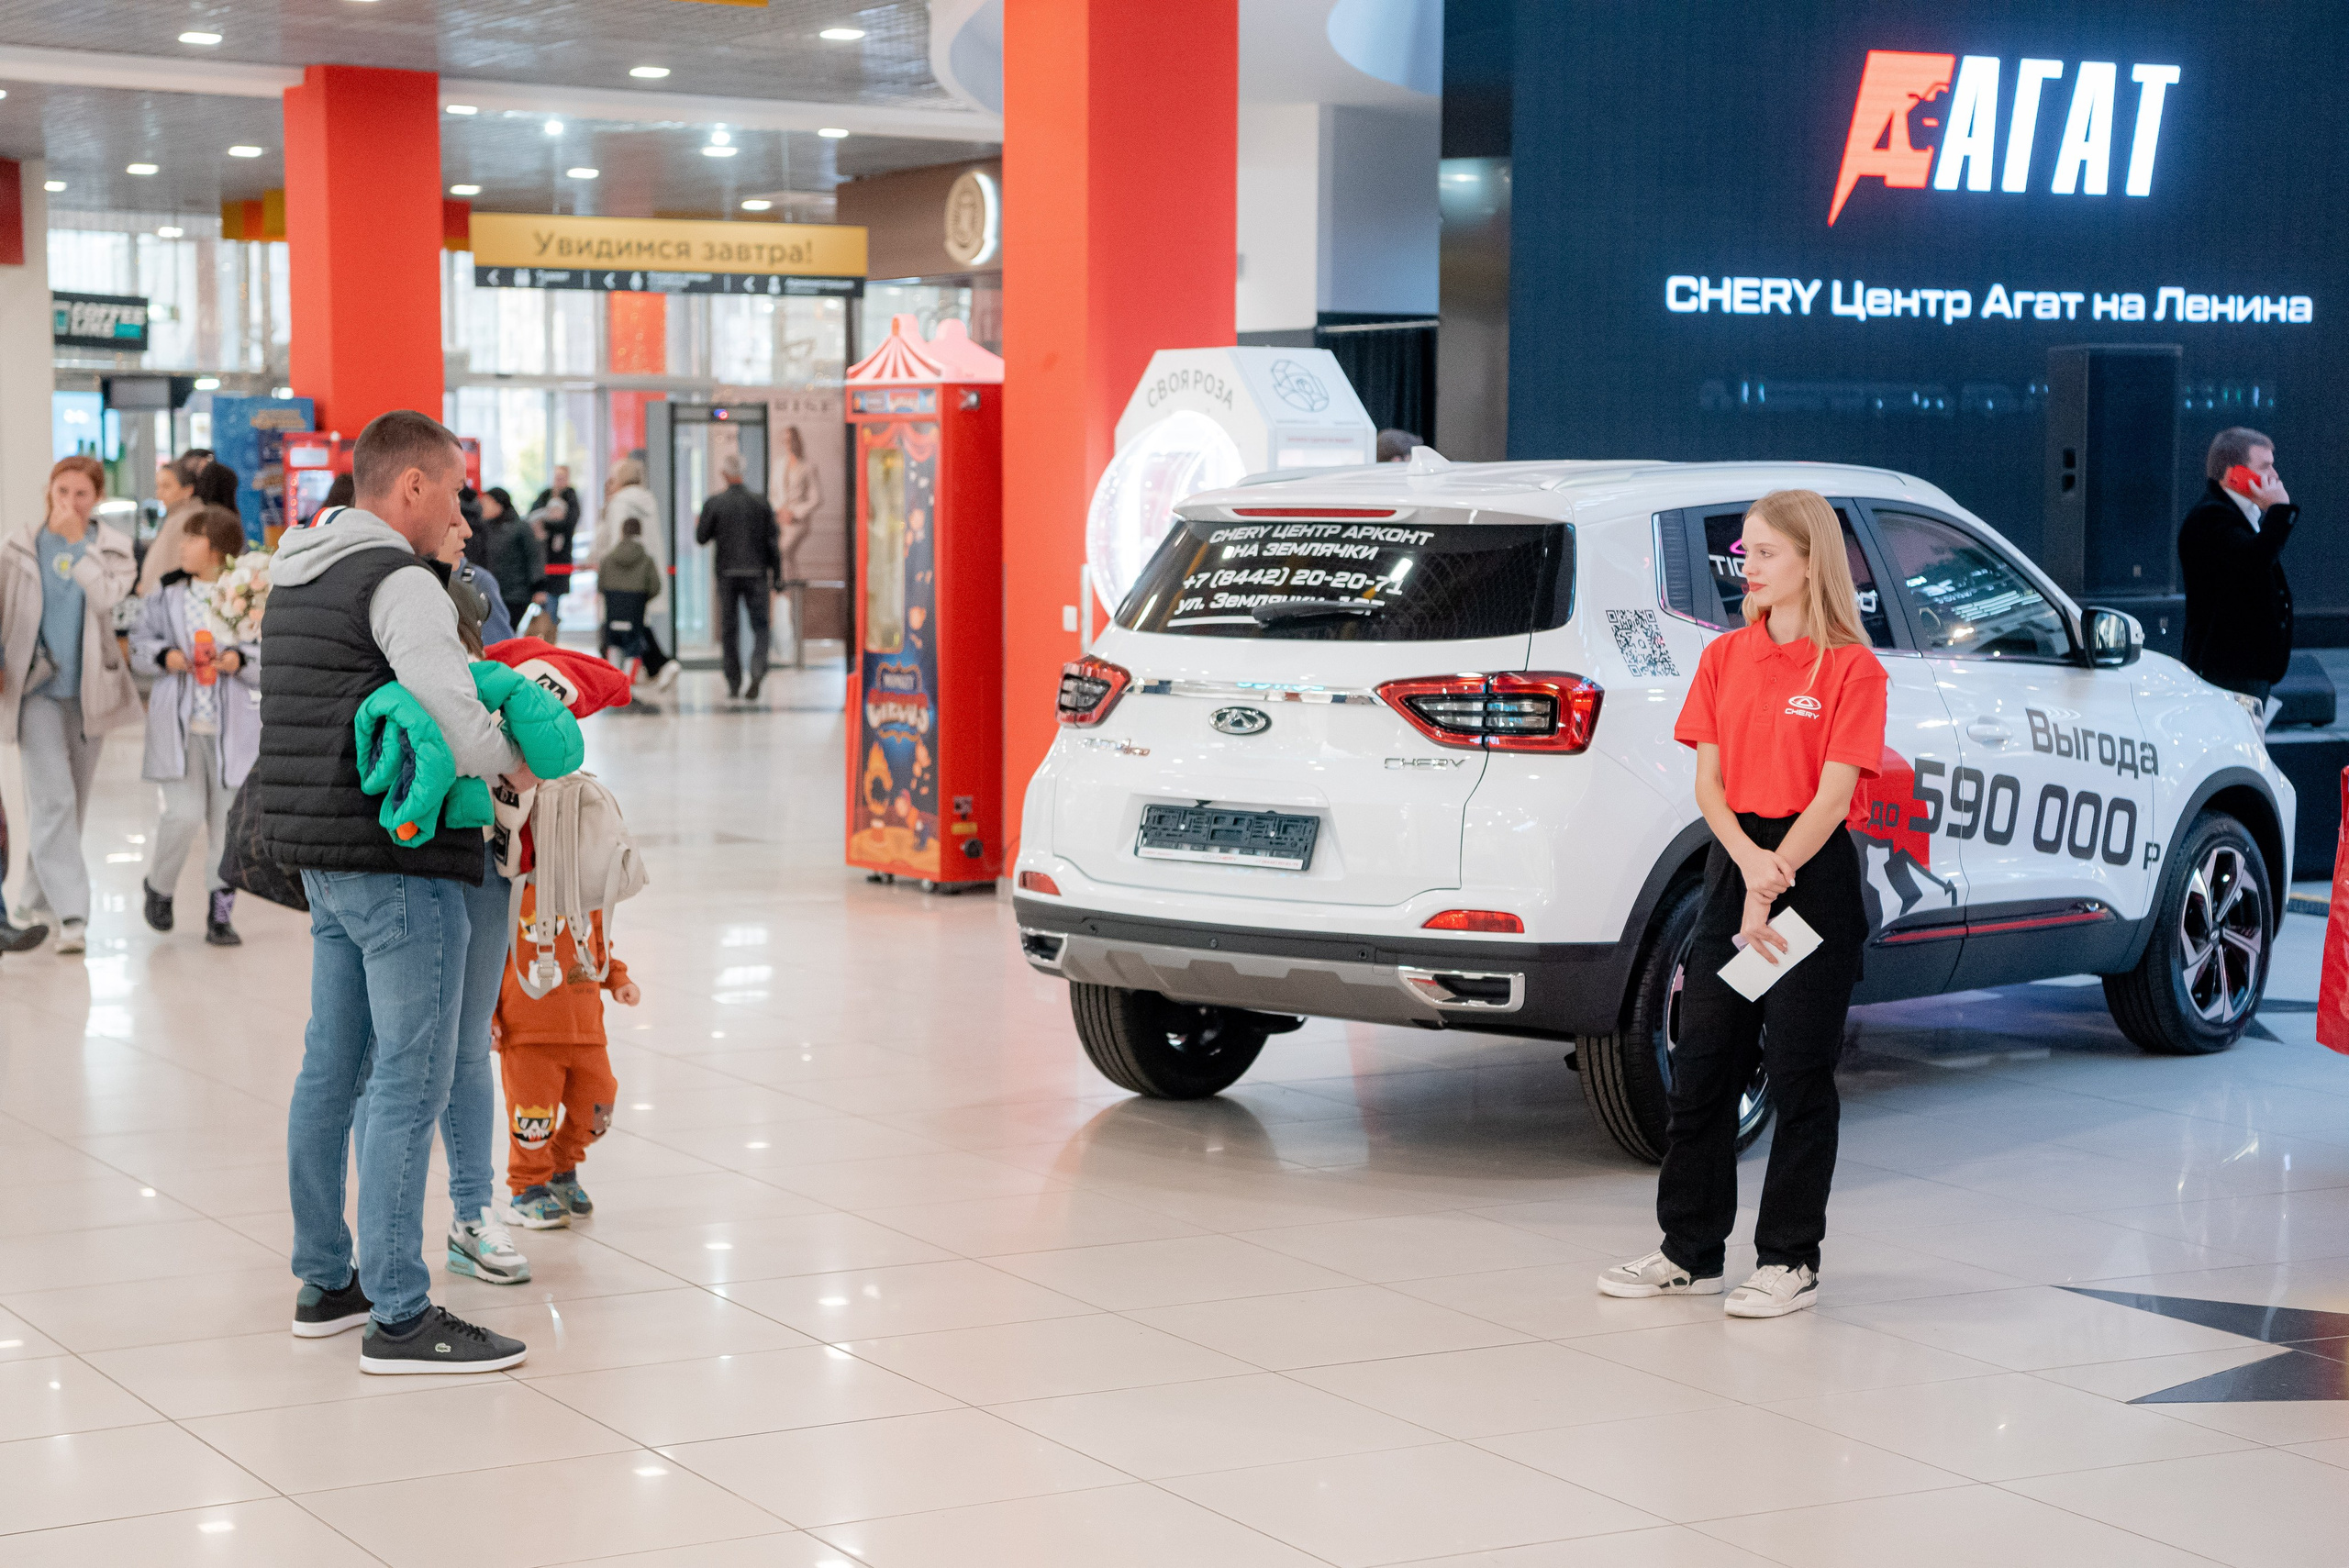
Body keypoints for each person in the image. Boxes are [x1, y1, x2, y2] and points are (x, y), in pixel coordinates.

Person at [256, 408, 533, 1373]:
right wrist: (521, 763)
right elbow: (457, 717)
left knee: (330, 1067)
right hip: (399, 857)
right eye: (453, 488)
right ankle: (403, 1314)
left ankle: (329, 1279)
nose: (461, 506)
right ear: (409, 486)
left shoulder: (299, 568)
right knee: (408, 1078)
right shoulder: (397, 581)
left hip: (322, 860)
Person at [1599, 488, 1886, 1320]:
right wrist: (1751, 870)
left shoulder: (1851, 669)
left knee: (1799, 1069)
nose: (1746, 567)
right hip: (1736, 866)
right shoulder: (1725, 657)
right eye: (1744, 552)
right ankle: (1689, 1252)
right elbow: (1708, 783)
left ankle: (1790, 1258)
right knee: (1705, 1063)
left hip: (1810, 877)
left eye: (1764, 553)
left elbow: (1834, 796)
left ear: (1809, 562)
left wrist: (1778, 872)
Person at [0, 456, 141, 955]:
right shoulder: (20, 546)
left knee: (72, 804)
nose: (70, 502)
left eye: (81, 494)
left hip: (90, 695)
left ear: (96, 497)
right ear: (49, 491)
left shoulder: (113, 547)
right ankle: (75, 913)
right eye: (62, 491)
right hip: (34, 692)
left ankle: (32, 900)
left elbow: (106, 598)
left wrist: (76, 545)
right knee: (53, 799)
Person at [130, 506, 260, 945]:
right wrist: (165, 656)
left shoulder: (251, 596)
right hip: (181, 729)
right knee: (183, 814)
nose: (182, 545)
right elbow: (139, 646)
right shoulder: (166, 597)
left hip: (236, 731)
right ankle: (159, 887)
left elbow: (271, 658)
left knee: (228, 826)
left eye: (192, 537)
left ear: (218, 549)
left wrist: (239, 661)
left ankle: (220, 916)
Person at [495, 876, 636, 1228]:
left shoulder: (584, 886)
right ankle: (527, 1189)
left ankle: (561, 1166)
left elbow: (599, 946)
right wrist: (489, 1013)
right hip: (528, 1031)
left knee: (599, 1109)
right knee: (533, 1120)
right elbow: (488, 958)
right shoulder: (509, 891)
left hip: (586, 1030)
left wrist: (617, 978)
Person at [2180, 427, 2299, 708]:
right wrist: (2279, 511)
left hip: (2249, 667)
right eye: (2265, 466)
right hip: (2227, 669)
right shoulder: (2210, 518)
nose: (2275, 476)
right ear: (2235, 473)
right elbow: (2255, 561)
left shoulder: (2243, 516)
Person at [695, 453, 779, 700]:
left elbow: (701, 537)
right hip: (756, 573)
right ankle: (757, 671)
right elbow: (772, 543)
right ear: (743, 472)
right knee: (761, 626)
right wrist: (778, 576)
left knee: (729, 629)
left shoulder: (715, 503)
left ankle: (733, 681)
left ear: (724, 474)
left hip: (727, 575)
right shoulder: (760, 503)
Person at [596, 460, 676, 688]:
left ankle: (658, 664)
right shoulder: (648, 501)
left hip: (624, 577)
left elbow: (616, 541)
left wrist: (610, 569)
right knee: (638, 623)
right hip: (645, 573)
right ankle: (656, 665)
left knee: (621, 627)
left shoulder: (620, 503)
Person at [596, 517, 668, 684]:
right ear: (640, 532)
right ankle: (627, 684)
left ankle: (613, 681)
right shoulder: (646, 560)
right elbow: (655, 587)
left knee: (613, 643)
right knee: (633, 646)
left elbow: (600, 585)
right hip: (635, 610)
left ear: (622, 532)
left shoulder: (608, 558)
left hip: (613, 609)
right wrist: (641, 599)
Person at [136, 452, 208, 596]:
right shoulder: (177, 516)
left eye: (166, 487)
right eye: (158, 487)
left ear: (188, 490)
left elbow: (178, 568)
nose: (159, 494)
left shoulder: (189, 519)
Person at [478, 485, 545, 629]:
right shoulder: (484, 528)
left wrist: (539, 588)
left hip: (516, 595)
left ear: (498, 505)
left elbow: (534, 557)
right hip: (491, 592)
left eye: (486, 503)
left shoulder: (520, 528)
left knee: (506, 632)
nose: (482, 507)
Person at [529, 466, 581, 628]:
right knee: (544, 601)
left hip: (559, 559)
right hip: (542, 559)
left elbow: (569, 523)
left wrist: (547, 524)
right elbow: (532, 518)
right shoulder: (544, 495)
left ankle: (549, 629)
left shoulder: (571, 497)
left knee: (552, 600)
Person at [776, 426, 822, 583]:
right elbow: (774, 492)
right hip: (781, 519)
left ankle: (788, 589)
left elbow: (816, 498)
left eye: (790, 440)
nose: (788, 444)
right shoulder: (779, 464)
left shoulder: (808, 466)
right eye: (785, 440)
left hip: (797, 522)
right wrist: (779, 511)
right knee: (786, 559)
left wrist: (795, 513)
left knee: (782, 552)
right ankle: (790, 591)